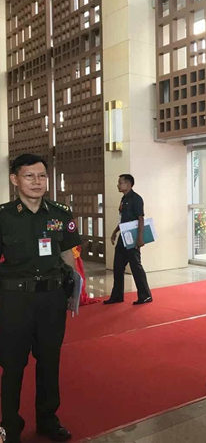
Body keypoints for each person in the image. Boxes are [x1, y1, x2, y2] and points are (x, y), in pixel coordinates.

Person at [0, 154, 81, 443]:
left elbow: (68, 255)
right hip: (14, 301)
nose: (37, 182)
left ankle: (48, 419)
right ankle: (9, 425)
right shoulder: (3, 216)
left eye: (42, 176)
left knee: (49, 361)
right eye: (29, 176)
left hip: (51, 299)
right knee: (12, 365)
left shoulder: (60, 213)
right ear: (15, 179)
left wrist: (73, 291)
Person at [104, 174, 153, 305]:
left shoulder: (136, 199)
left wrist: (140, 238)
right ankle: (117, 295)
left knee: (136, 267)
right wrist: (115, 232)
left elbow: (140, 218)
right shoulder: (123, 199)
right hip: (123, 236)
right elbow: (123, 219)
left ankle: (145, 295)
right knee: (118, 266)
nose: (118, 185)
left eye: (121, 183)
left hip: (133, 237)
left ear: (129, 184)